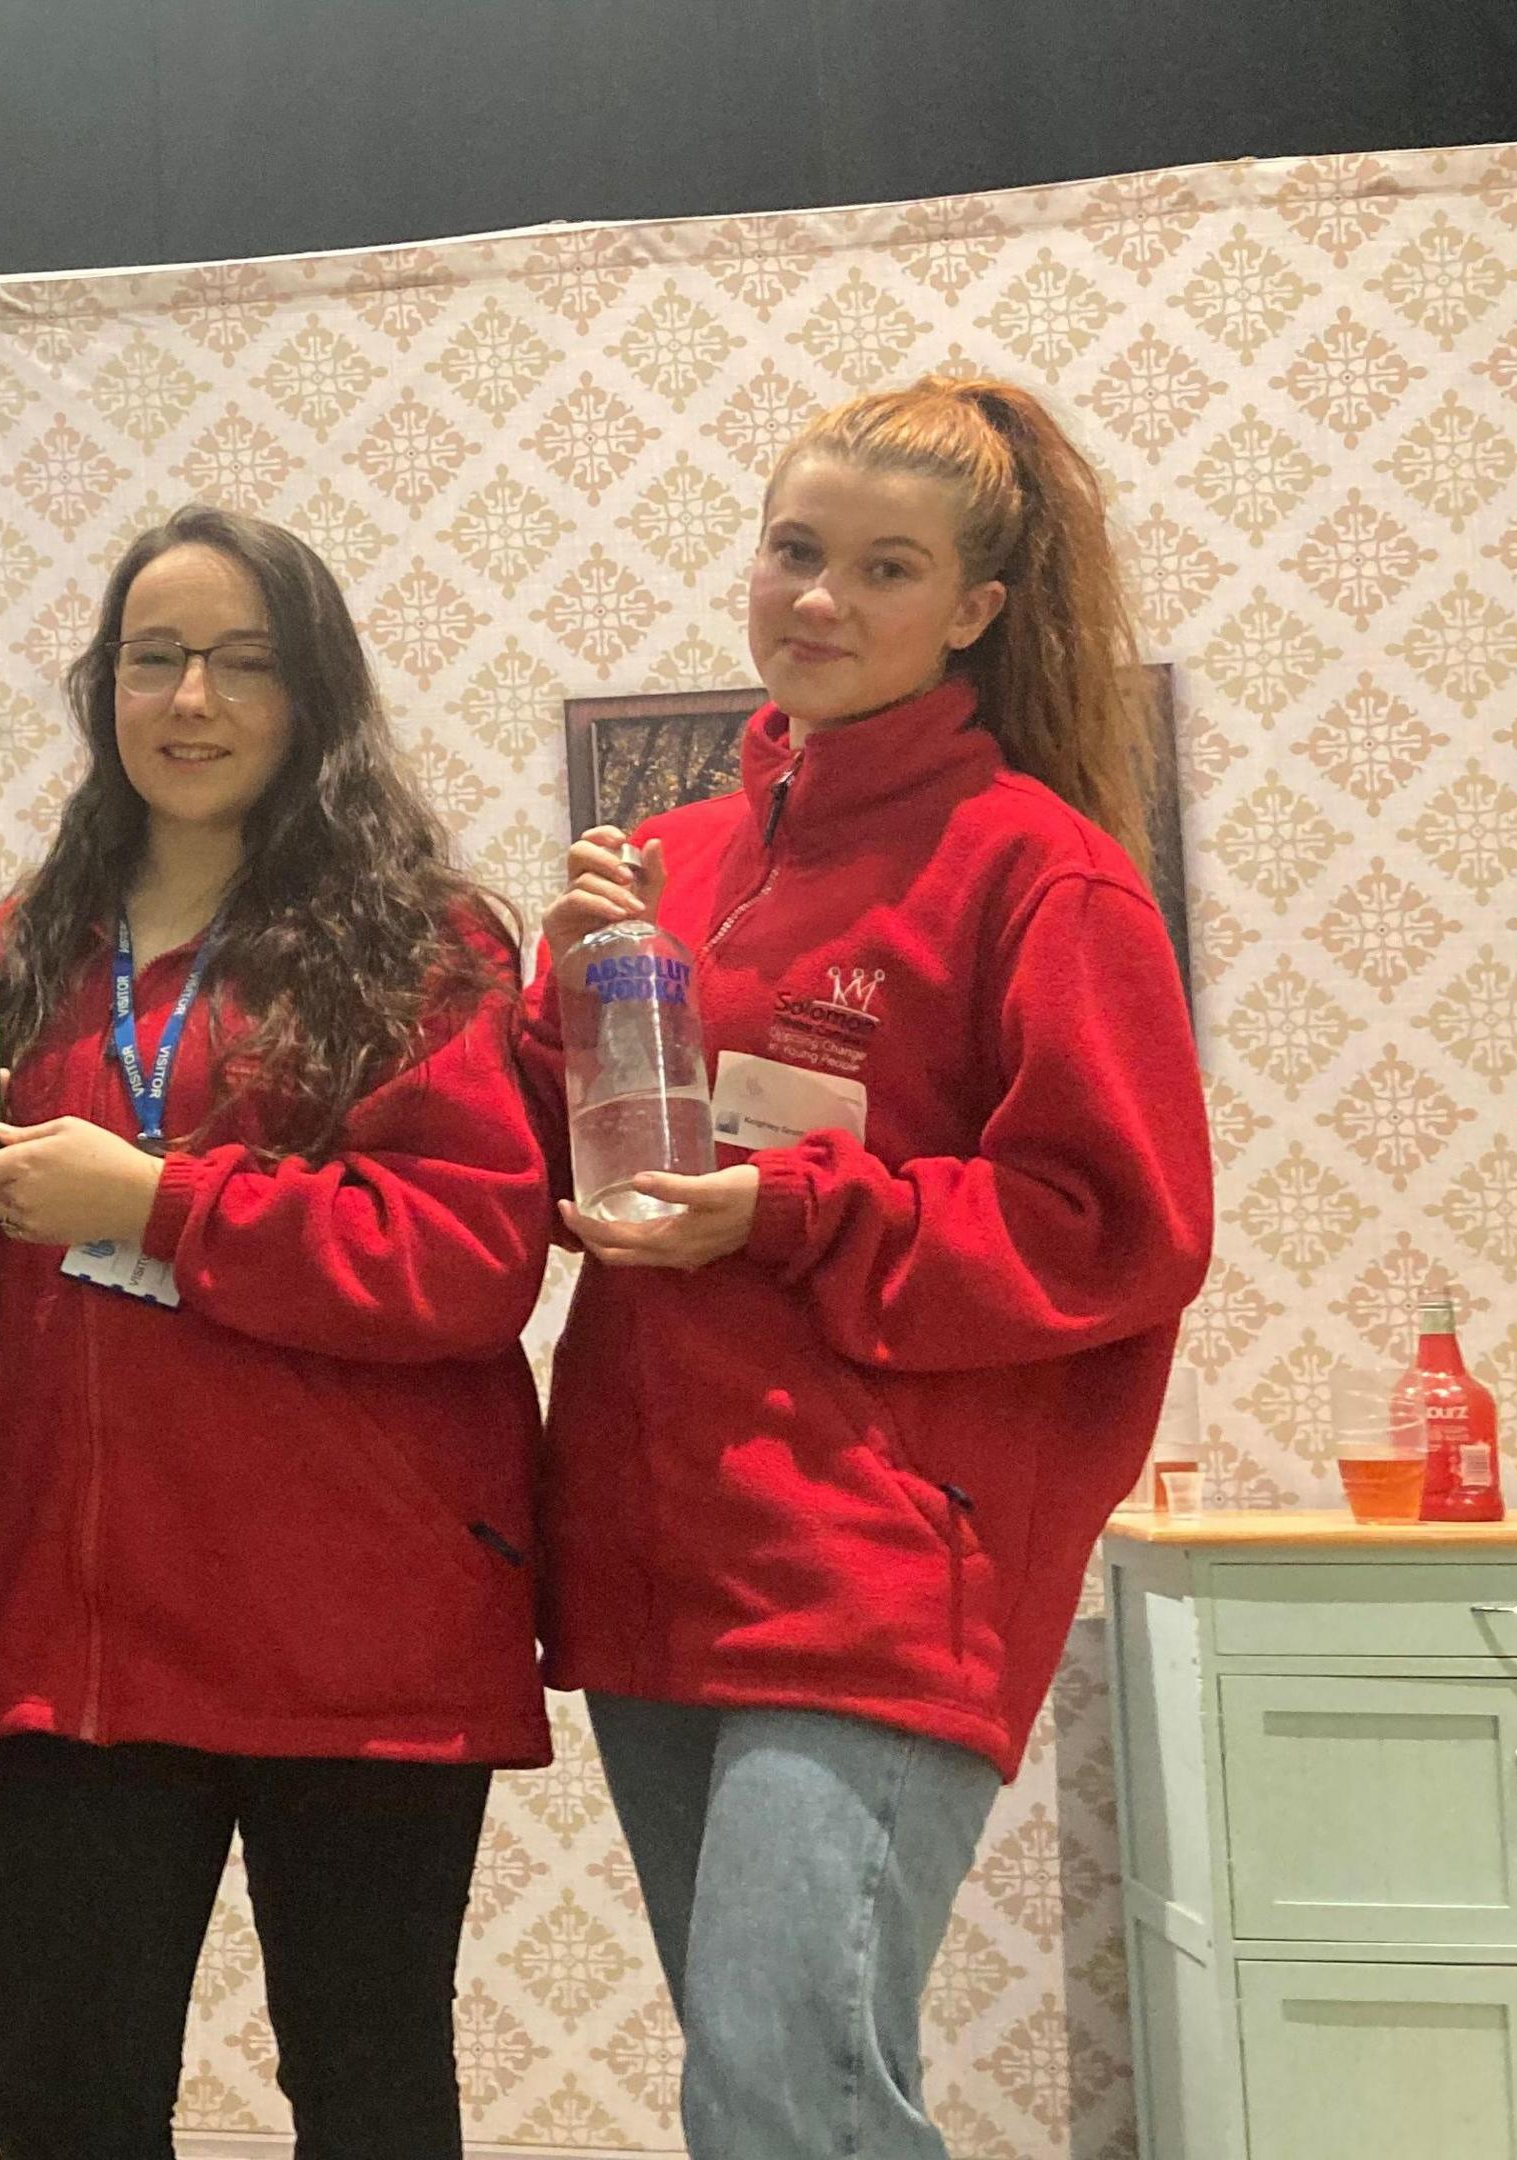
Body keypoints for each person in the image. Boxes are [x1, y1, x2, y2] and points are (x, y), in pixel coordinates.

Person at [521, 374, 1214, 2160]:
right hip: (658, 1546)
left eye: (883, 569)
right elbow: (570, 1173)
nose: (817, 600)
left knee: (786, 2095)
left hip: (884, 1567)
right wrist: (565, 988)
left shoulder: (1043, 876)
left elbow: (1114, 1230)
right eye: (794, 550)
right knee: (767, 2091)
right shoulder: (670, 863)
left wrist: (803, 1209)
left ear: (978, 609)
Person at [0, 506, 550, 2158]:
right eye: (153, 659)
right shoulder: (18, 948)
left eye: (242, 662)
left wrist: (158, 1199)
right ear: (106, 688)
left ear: (312, 695)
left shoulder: (428, 944)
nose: (190, 698)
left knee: (369, 2100)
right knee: (64, 2108)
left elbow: (464, 1262)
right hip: (87, 1644)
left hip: (359, 1636)